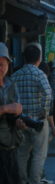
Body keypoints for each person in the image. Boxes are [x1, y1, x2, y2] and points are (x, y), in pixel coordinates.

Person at [11, 42, 52, 184]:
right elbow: (48, 94)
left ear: (24, 58)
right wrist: (44, 113)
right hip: (38, 122)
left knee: (21, 153)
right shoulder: (40, 74)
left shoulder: (15, 75)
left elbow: (10, 98)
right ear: (39, 58)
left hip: (20, 121)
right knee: (38, 155)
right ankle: (35, 181)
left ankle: (22, 180)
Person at [0, 42, 23, 184]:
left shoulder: (11, 83)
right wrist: (5, 109)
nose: (1, 68)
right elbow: (9, 108)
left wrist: (19, 120)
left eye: (3, 63)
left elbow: (17, 109)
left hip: (11, 144)